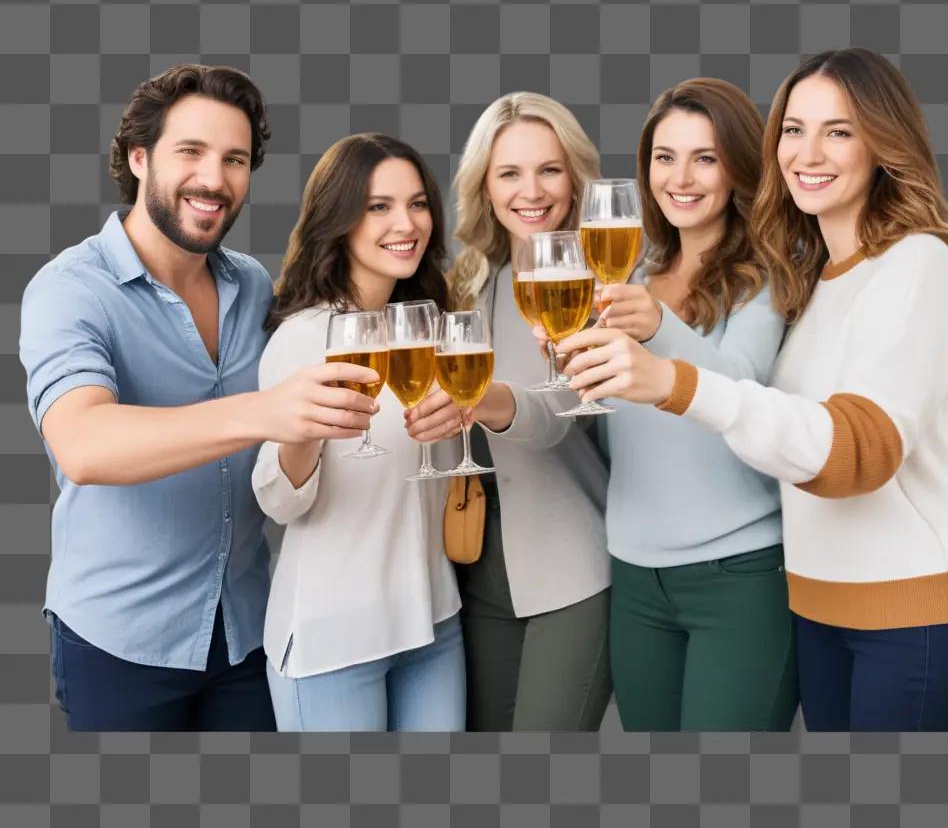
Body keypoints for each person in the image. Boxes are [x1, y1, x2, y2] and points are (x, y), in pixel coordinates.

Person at [562, 49, 948, 731]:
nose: (808, 152)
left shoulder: (917, 263)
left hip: (916, 618)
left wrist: (675, 380)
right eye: (794, 129)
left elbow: (856, 453)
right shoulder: (819, 281)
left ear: (885, 143)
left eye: (840, 130)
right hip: (821, 611)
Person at [20, 64, 377, 731]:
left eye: (235, 159)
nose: (214, 179)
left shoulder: (251, 286)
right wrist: (263, 413)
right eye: (191, 151)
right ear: (138, 158)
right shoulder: (69, 290)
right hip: (121, 643)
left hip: (247, 630)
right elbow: (83, 445)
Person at [578, 78, 796, 730]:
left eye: (705, 157)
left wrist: (658, 328)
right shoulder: (630, 276)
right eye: (664, 156)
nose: (681, 177)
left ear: (738, 168)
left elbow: (741, 385)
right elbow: (612, 425)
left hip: (739, 578)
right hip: (636, 576)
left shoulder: (766, 276)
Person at [406, 92, 612, 731]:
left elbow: (559, 417)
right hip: (476, 565)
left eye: (549, 169)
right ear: (485, 188)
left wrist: (484, 398)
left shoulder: (605, 282)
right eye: (509, 173)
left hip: (572, 565)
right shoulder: (468, 284)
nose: (533, 191)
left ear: (575, 180)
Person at [255, 133, 465, 731]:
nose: (407, 223)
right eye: (379, 207)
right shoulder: (303, 338)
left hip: (433, 625)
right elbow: (277, 500)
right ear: (338, 219)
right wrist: (302, 434)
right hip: (335, 640)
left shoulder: (430, 330)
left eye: (418, 203)